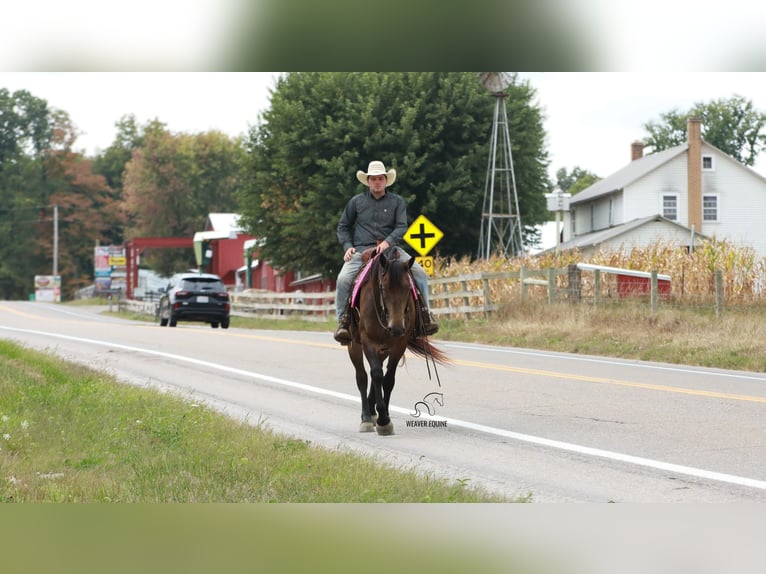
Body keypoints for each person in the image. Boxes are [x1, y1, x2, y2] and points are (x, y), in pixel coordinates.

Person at [334, 160, 438, 345]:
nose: (377, 182)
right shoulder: (356, 202)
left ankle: (425, 317)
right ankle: (343, 322)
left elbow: (401, 227)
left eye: (380, 178)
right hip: (361, 252)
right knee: (343, 279)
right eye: (373, 179)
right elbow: (343, 227)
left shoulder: (396, 201)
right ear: (368, 181)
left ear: (385, 180)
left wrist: (387, 242)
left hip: (392, 252)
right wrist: (347, 246)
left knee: (420, 273)